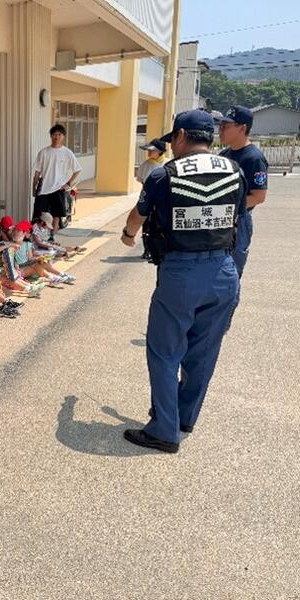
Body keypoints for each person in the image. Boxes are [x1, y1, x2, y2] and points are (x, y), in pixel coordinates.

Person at [119, 110, 246, 453]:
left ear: (180, 136)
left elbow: (138, 215)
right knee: (203, 353)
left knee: (164, 352)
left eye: (172, 139)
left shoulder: (165, 174)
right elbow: (239, 216)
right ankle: (184, 416)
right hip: (223, 271)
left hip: (181, 273)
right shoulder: (234, 170)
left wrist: (128, 235)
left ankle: (164, 430)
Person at [217, 105, 269, 277]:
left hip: (239, 220)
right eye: (220, 126)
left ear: (242, 128)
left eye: (226, 126)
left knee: (232, 268)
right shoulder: (224, 155)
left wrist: (230, 209)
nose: (220, 130)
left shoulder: (254, 158)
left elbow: (259, 196)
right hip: (219, 217)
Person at [32, 123, 82, 239]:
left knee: (56, 215)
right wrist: (33, 188)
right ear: (51, 136)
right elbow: (37, 172)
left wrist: (68, 184)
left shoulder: (67, 153)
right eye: (54, 134)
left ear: (63, 136)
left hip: (58, 188)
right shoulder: (43, 152)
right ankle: (37, 237)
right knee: (39, 214)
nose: (57, 137)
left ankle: (52, 237)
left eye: (59, 134)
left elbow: (77, 169)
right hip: (44, 188)